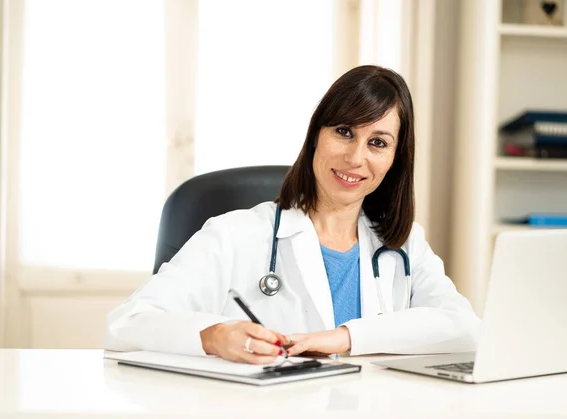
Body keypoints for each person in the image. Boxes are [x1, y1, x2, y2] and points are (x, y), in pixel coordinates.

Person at [104, 65, 481, 364]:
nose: (355, 158)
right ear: (316, 134)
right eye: (345, 131)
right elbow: (126, 324)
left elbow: (466, 329)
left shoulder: (404, 243)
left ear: (395, 158)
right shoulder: (235, 234)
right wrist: (214, 336)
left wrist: (346, 337)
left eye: (378, 142)